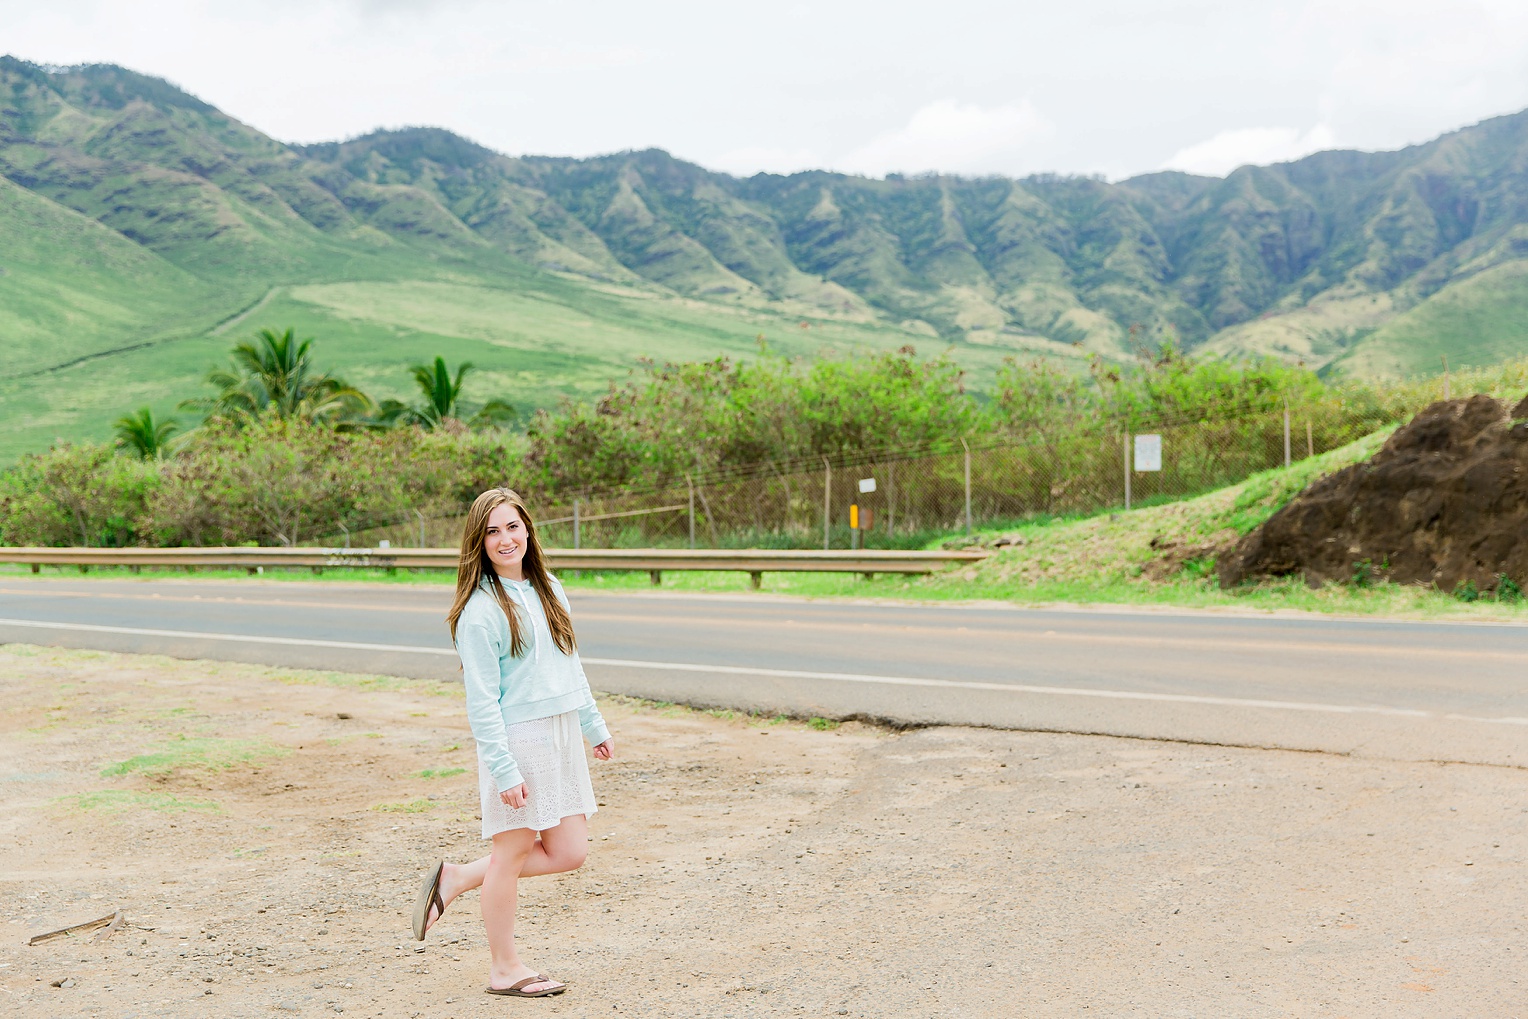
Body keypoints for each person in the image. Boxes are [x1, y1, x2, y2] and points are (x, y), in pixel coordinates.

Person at [410, 487, 614, 999]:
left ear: (528, 529)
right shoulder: (478, 614)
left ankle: (456, 879)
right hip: (520, 739)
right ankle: (505, 967)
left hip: (562, 731)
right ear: (478, 542)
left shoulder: (551, 590)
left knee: (570, 851)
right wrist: (504, 769)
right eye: (493, 531)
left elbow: (571, 664)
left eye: (513, 526)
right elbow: (482, 703)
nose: (506, 538)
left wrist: (593, 726)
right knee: (512, 853)